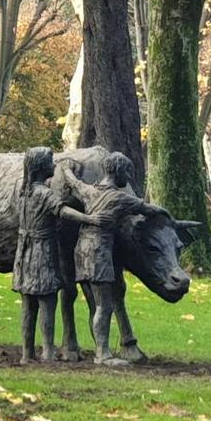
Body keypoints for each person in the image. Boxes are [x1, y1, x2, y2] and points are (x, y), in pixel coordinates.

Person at [61, 152, 168, 366]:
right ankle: (102, 354)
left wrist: (66, 168)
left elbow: (73, 182)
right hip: (99, 250)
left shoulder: (88, 191)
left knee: (95, 301)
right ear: (119, 171)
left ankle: (101, 349)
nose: (128, 178)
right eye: (127, 172)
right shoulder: (121, 198)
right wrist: (168, 216)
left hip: (81, 250)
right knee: (104, 305)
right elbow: (149, 209)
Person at [13, 147, 110, 364]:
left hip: (24, 252)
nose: (53, 165)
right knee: (47, 301)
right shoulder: (44, 194)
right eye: (50, 162)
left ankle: (27, 354)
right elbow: (63, 211)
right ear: (39, 168)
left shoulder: (23, 192)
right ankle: (47, 351)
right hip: (42, 251)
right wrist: (90, 219)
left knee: (28, 303)